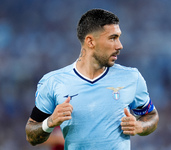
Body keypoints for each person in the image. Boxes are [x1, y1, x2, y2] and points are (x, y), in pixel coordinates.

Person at [25, 8, 159, 150]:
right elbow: (31, 135)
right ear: (90, 41)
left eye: (119, 37)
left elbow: (151, 116)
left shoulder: (131, 77)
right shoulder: (53, 82)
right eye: (112, 38)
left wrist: (139, 126)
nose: (120, 45)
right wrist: (50, 122)